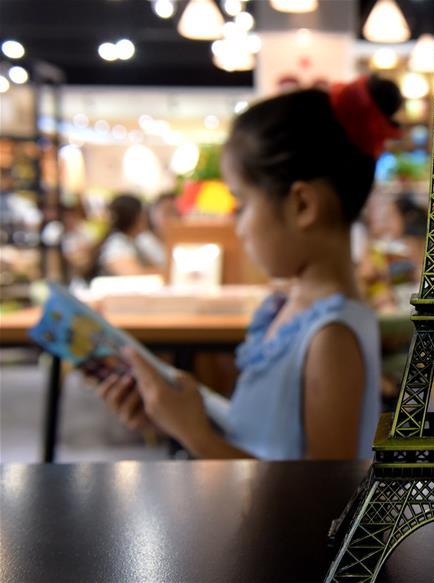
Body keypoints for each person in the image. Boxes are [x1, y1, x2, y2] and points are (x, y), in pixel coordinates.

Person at [94, 76, 403, 460]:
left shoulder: (331, 338)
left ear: (302, 205)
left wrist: (194, 433)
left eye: (241, 205)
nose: (237, 227)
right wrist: (176, 417)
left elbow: (323, 490)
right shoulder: (296, 309)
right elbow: (264, 439)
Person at [88, 194, 166, 279]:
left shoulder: (136, 241)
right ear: (136, 218)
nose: (147, 218)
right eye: (143, 214)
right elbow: (134, 276)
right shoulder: (117, 244)